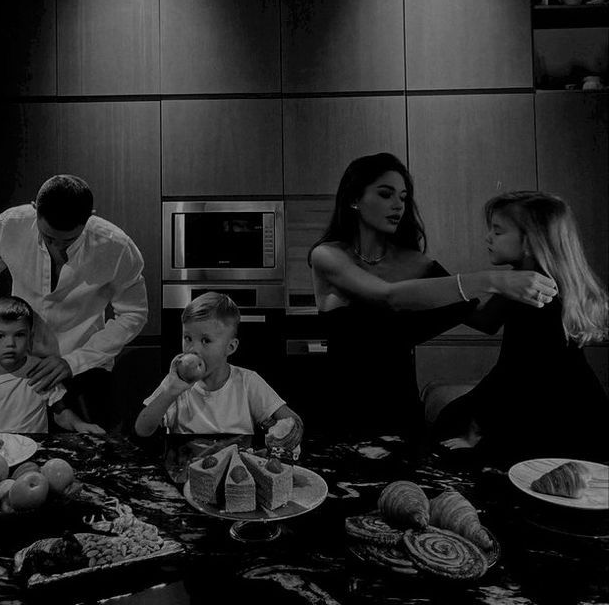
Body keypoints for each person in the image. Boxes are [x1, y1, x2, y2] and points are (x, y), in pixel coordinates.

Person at [308, 153, 558, 441]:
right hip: (339, 409)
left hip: (400, 411)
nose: (398, 205)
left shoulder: (418, 264)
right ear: (354, 199)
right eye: (386, 194)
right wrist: (492, 279)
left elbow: (484, 320)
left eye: (403, 196)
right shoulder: (327, 255)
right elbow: (388, 296)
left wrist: (525, 264)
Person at [0, 174, 148, 429]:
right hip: (21, 365)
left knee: (91, 453)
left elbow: (133, 313)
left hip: (86, 368)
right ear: (35, 208)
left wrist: (75, 361)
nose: (58, 248)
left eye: (68, 240)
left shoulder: (117, 247)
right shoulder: (7, 226)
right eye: (48, 237)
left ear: (89, 216)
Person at [436, 191, 609, 464]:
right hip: (541, 403)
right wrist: (435, 280)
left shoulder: (539, 297)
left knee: (451, 429)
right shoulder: (520, 283)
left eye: (498, 231)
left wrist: (476, 432)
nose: (487, 237)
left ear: (529, 242)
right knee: (451, 418)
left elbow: (514, 374)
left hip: (562, 416)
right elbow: (485, 321)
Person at [135, 292, 303, 449]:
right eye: (188, 338)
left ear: (230, 347)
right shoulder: (177, 384)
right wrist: (170, 392)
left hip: (237, 470)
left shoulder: (248, 382)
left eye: (205, 340)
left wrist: (282, 430)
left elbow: (293, 420)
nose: (193, 349)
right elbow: (142, 429)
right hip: (188, 472)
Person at [0, 297, 105, 435]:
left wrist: (79, 424)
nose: (10, 343)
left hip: (34, 452)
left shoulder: (41, 372)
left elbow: (60, 413)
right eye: (0, 336)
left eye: (19, 335)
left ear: (30, 338)